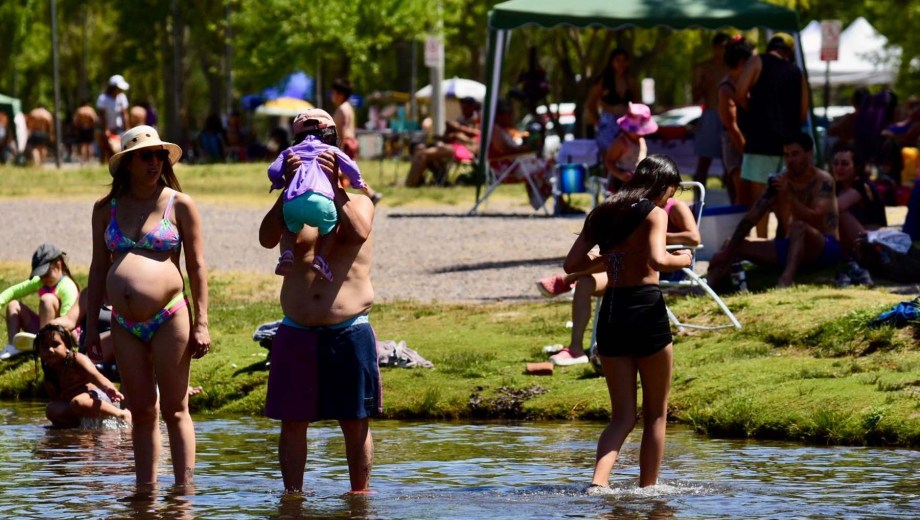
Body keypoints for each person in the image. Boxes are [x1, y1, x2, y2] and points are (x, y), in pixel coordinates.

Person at [84, 125, 210, 486]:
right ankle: (145, 495)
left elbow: (198, 267)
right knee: (140, 410)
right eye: (145, 155)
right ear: (126, 162)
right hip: (124, 322)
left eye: (159, 155)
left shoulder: (179, 204)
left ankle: (184, 493)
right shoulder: (104, 209)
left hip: (170, 315)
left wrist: (202, 322)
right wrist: (92, 326)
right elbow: (97, 268)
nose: (154, 161)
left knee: (174, 408)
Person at [562, 154, 692, 490]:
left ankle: (597, 484)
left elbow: (571, 263)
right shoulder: (652, 211)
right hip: (646, 310)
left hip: (613, 310)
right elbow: (657, 259)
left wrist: (607, 259)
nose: (670, 200)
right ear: (663, 186)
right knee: (656, 414)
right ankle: (648, 490)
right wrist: (685, 257)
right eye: (671, 193)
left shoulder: (604, 211)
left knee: (621, 416)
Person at [259, 146, 380, 495]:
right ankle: (292, 501)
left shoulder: (359, 202)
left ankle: (360, 498)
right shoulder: (293, 206)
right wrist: (287, 191)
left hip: (349, 328)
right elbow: (266, 239)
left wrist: (335, 188)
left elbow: (357, 233)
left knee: (354, 421)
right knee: (293, 422)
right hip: (296, 327)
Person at [537, 183, 701, 366]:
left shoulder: (672, 207)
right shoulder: (631, 208)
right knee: (587, 280)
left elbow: (694, 238)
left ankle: (567, 280)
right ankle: (575, 348)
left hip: (652, 272)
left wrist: (653, 233)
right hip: (621, 269)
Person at [707, 132, 841, 289]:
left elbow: (816, 219)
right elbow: (752, 217)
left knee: (799, 226)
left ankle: (786, 280)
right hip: (789, 246)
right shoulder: (779, 181)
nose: (790, 160)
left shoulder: (823, 180)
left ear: (809, 154)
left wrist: (789, 198)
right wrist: (727, 251)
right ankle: (709, 289)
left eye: (795, 154)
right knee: (731, 244)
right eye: (786, 155)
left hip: (823, 248)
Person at [268, 109, 372, 280]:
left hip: (293, 201)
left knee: (289, 227)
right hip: (321, 200)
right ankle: (321, 260)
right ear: (331, 135)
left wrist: (279, 182)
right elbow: (351, 167)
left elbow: (273, 170)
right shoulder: (331, 150)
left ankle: (286, 254)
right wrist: (357, 182)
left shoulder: (290, 152)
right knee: (330, 227)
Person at [735, 33, 808, 237]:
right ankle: (785, 243)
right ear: (789, 52)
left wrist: (755, 111)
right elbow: (803, 113)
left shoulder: (758, 61)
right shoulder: (797, 72)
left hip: (760, 141)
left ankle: (762, 245)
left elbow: (739, 93)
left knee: (760, 202)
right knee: (785, 199)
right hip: (789, 147)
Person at [34, 323, 131, 428]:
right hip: (76, 406)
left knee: (78, 402)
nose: (50, 350)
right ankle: (79, 428)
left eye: (55, 344)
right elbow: (57, 399)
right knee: (51, 409)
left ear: (67, 346)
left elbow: (96, 376)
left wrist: (109, 389)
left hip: (98, 399)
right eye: (44, 347)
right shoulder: (49, 374)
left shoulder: (76, 360)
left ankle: (121, 414)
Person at [490, 99, 573, 213]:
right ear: (500, 115)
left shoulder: (505, 129)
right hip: (507, 169)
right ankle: (560, 204)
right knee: (550, 167)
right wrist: (527, 150)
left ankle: (559, 203)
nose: (511, 117)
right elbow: (504, 151)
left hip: (515, 164)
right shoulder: (495, 129)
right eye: (509, 114)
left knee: (551, 166)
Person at [1, 243, 79, 360]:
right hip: (44, 328)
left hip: (63, 333)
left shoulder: (67, 287)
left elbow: (67, 319)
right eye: (40, 275)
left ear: (58, 265)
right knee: (13, 305)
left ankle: (45, 346)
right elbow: (14, 291)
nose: (42, 278)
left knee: (47, 299)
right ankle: (13, 345)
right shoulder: (41, 281)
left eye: (45, 274)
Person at [832, 144, 885, 286]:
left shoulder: (861, 186)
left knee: (839, 212)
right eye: (836, 163)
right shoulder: (838, 187)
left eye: (845, 164)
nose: (839, 168)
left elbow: (836, 207)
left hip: (873, 243)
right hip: (858, 238)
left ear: (856, 167)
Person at [404, 96, 480, 187]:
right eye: (462, 107)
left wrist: (458, 130)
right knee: (420, 151)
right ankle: (422, 181)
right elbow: (448, 137)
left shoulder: (479, 119)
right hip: (453, 146)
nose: (463, 109)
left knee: (423, 154)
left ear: (473, 107)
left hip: (465, 150)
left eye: (465, 107)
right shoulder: (461, 119)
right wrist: (450, 132)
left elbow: (475, 137)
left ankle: (410, 184)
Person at [331, 79, 382, 204]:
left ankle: (369, 194)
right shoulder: (348, 107)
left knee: (343, 172)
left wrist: (339, 148)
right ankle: (368, 194)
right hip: (351, 141)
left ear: (340, 94)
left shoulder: (342, 109)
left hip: (346, 143)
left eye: (333, 93)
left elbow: (341, 130)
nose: (332, 96)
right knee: (348, 172)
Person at [717, 35, 755, 205]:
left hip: (750, 141)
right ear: (742, 62)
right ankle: (739, 230)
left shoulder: (749, 82)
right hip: (736, 145)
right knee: (743, 193)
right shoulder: (726, 88)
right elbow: (731, 127)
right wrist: (747, 154)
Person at [692, 33, 731, 186]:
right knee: (704, 162)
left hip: (728, 114)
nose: (723, 51)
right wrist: (703, 84)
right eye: (721, 47)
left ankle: (733, 203)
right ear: (715, 48)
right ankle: (698, 202)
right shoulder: (704, 68)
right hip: (710, 115)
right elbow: (695, 97)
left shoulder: (732, 67)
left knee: (729, 164)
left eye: (726, 48)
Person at [585, 48, 640, 154]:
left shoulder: (630, 81)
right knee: (609, 159)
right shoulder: (604, 81)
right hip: (608, 126)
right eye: (618, 60)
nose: (621, 64)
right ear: (612, 62)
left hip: (626, 126)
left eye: (624, 60)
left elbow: (637, 104)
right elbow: (591, 104)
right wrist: (598, 122)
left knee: (625, 157)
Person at [603, 102, 656, 193]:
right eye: (638, 131)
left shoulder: (641, 140)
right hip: (622, 183)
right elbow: (609, 161)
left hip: (638, 179)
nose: (641, 133)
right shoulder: (621, 142)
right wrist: (620, 175)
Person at [96, 74, 131, 164]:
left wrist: (127, 129)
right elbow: (102, 115)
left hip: (119, 129)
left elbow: (125, 114)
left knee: (119, 150)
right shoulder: (103, 99)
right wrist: (105, 129)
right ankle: (103, 164)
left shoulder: (122, 97)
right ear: (113, 87)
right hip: (107, 129)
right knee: (105, 148)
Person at [73, 100, 98, 165]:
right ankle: (90, 160)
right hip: (89, 128)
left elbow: (75, 121)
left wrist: (79, 127)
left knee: (83, 145)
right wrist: (92, 125)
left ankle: (83, 160)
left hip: (82, 128)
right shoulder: (90, 110)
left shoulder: (80, 110)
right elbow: (95, 119)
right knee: (90, 145)